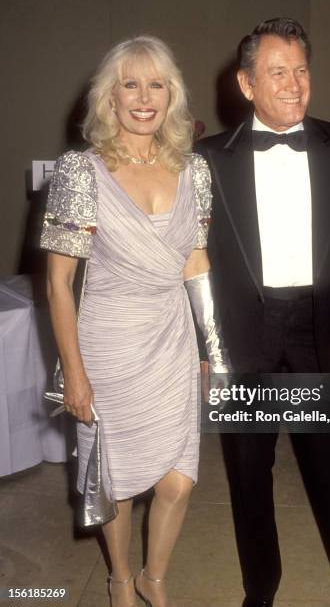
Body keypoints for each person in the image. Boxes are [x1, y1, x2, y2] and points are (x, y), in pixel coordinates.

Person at [196, 18, 330, 607]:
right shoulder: (207, 158)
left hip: (320, 331)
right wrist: (206, 348)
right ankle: (262, 589)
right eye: (277, 72)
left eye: (301, 70)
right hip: (244, 338)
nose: (294, 84)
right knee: (249, 479)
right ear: (246, 84)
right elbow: (192, 261)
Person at [40, 36, 229, 607]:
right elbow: (57, 283)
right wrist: (74, 373)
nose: (144, 97)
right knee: (116, 482)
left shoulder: (193, 170)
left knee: (179, 478)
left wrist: (215, 353)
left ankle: (156, 576)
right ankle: (122, 577)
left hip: (170, 341)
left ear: (171, 95)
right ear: (110, 97)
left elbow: (196, 261)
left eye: (156, 84)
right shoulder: (81, 171)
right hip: (108, 345)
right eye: (130, 84)